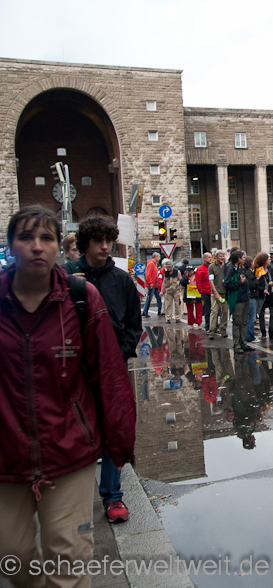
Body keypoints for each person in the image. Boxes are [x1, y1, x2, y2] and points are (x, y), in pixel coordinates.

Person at [0, 205, 135, 587]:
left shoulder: (80, 296)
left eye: (46, 238)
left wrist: (119, 440)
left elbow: (110, 372)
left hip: (68, 445)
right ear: (10, 246)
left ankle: (112, 495)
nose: (36, 246)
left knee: (69, 556)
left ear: (59, 245)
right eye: (26, 237)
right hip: (7, 452)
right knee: (13, 555)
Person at [63, 214, 142, 523]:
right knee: (77, 431)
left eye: (109, 240)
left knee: (113, 427)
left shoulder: (121, 280)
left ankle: (113, 495)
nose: (106, 247)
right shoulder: (67, 276)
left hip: (112, 368)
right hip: (75, 369)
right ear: (85, 244)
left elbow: (133, 324)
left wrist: (119, 355)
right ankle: (74, 498)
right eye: (99, 241)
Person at [224, 249, 252, 353]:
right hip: (237, 300)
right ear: (238, 259)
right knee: (237, 322)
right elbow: (227, 284)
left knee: (244, 322)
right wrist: (240, 283)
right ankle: (236, 345)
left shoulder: (241, 268)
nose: (244, 259)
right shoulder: (230, 268)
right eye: (243, 257)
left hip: (245, 298)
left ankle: (243, 343)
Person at [246, 252, 269, 343]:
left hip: (257, 295)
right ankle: (250, 336)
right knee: (252, 317)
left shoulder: (266, 269)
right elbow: (252, 285)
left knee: (252, 316)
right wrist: (258, 278)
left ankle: (249, 335)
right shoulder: (253, 271)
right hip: (254, 295)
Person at [208, 249, 229, 338]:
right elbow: (211, 281)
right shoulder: (212, 267)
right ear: (216, 257)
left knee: (225, 311)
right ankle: (212, 331)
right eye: (220, 256)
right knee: (214, 311)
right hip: (215, 293)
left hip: (225, 293)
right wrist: (215, 293)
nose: (222, 258)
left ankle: (223, 329)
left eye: (223, 256)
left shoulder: (227, 266)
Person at [196, 252, 212, 331]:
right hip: (206, 292)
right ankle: (208, 326)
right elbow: (198, 282)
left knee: (215, 311)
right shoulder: (200, 269)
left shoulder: (212, 267)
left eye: (211, 257)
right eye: (208, 257)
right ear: (204, 258)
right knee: (207, 310)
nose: (210, 259)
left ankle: (215, 326)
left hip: (213, 291)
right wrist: (202, 292)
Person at [141, 251, 162, 317]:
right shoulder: (151, 264)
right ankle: (145, 312)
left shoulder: (154, 264)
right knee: (149, 298)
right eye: (159, 257)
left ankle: (160, 310)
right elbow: (148, 274)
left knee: (158, 297)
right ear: (155, 257)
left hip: (155, 284)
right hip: (152, 284)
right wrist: (150, 283)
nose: (159, 258)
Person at [161, 258, 181, 323]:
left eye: (169, 267)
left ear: (172, 266)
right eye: (167, 267)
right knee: (168, 304)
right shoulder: (166, 273)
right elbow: (164, 282)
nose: (168, 268)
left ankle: (177, 317)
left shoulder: (177, 272)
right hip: (168, 290)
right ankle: (168, 317)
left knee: (177, 304)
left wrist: (180, 287)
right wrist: (161, 291)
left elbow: (180, 280)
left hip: (176, 290)